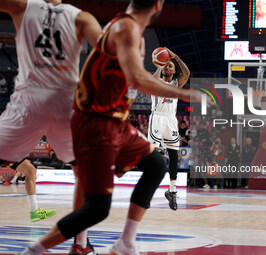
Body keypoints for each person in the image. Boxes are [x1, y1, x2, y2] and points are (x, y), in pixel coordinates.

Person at [19, 1, 205, 255]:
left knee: (156, 165)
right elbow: (139, 79)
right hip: (97, 123)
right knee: (98, 207)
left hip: (114, 120)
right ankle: (34, 251)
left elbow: (132, 78)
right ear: (158, 4)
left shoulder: (121, 26)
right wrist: (185, 95)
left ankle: (123, 243)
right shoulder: (127, 29)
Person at [0, 0, 102, 253]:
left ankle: (73, 239)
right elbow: (107, 53)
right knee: (84, 175)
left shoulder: (23, 6)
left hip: (29, 103)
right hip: (64, 104)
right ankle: (80, 243)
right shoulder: (81, 17)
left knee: (31, 171)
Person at [148, 48, 190, 211]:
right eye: (166, 66)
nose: (168, 67)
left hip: (171, 120)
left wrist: (176, 57)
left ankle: (172, 191)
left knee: (174, 156)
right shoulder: (157, 81)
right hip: (157, 118)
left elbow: (186, 74)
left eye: (170, 66)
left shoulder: (176, 83)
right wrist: (160, 64)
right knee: (151, 155)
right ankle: (148, 191)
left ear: (174, 71)